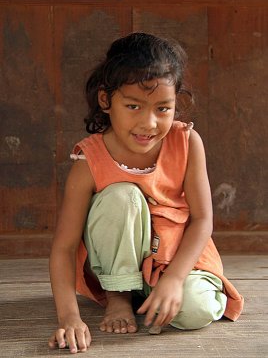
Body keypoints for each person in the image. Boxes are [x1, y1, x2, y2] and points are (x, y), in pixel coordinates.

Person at [48, 32, 244, 354]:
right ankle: (120, 296)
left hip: (172, 258)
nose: (149, 122)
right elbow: (64, 247)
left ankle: (156, 294)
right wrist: (69, 317)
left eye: (163, 109)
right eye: (133, 106)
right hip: (114, 266)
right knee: (121, 196)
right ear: (106, 101)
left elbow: (202, 219)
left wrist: (174, 280)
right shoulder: (90, 160)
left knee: (197, 309)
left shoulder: (187, 142)